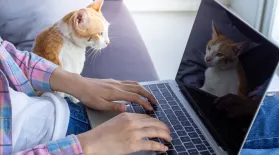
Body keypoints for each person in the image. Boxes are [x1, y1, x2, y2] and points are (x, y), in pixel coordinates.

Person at [0, 38, 171, 154]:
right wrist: (89, 145)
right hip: (68, 145)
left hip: (63, 110)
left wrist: (79, 84)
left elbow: (8, 55)